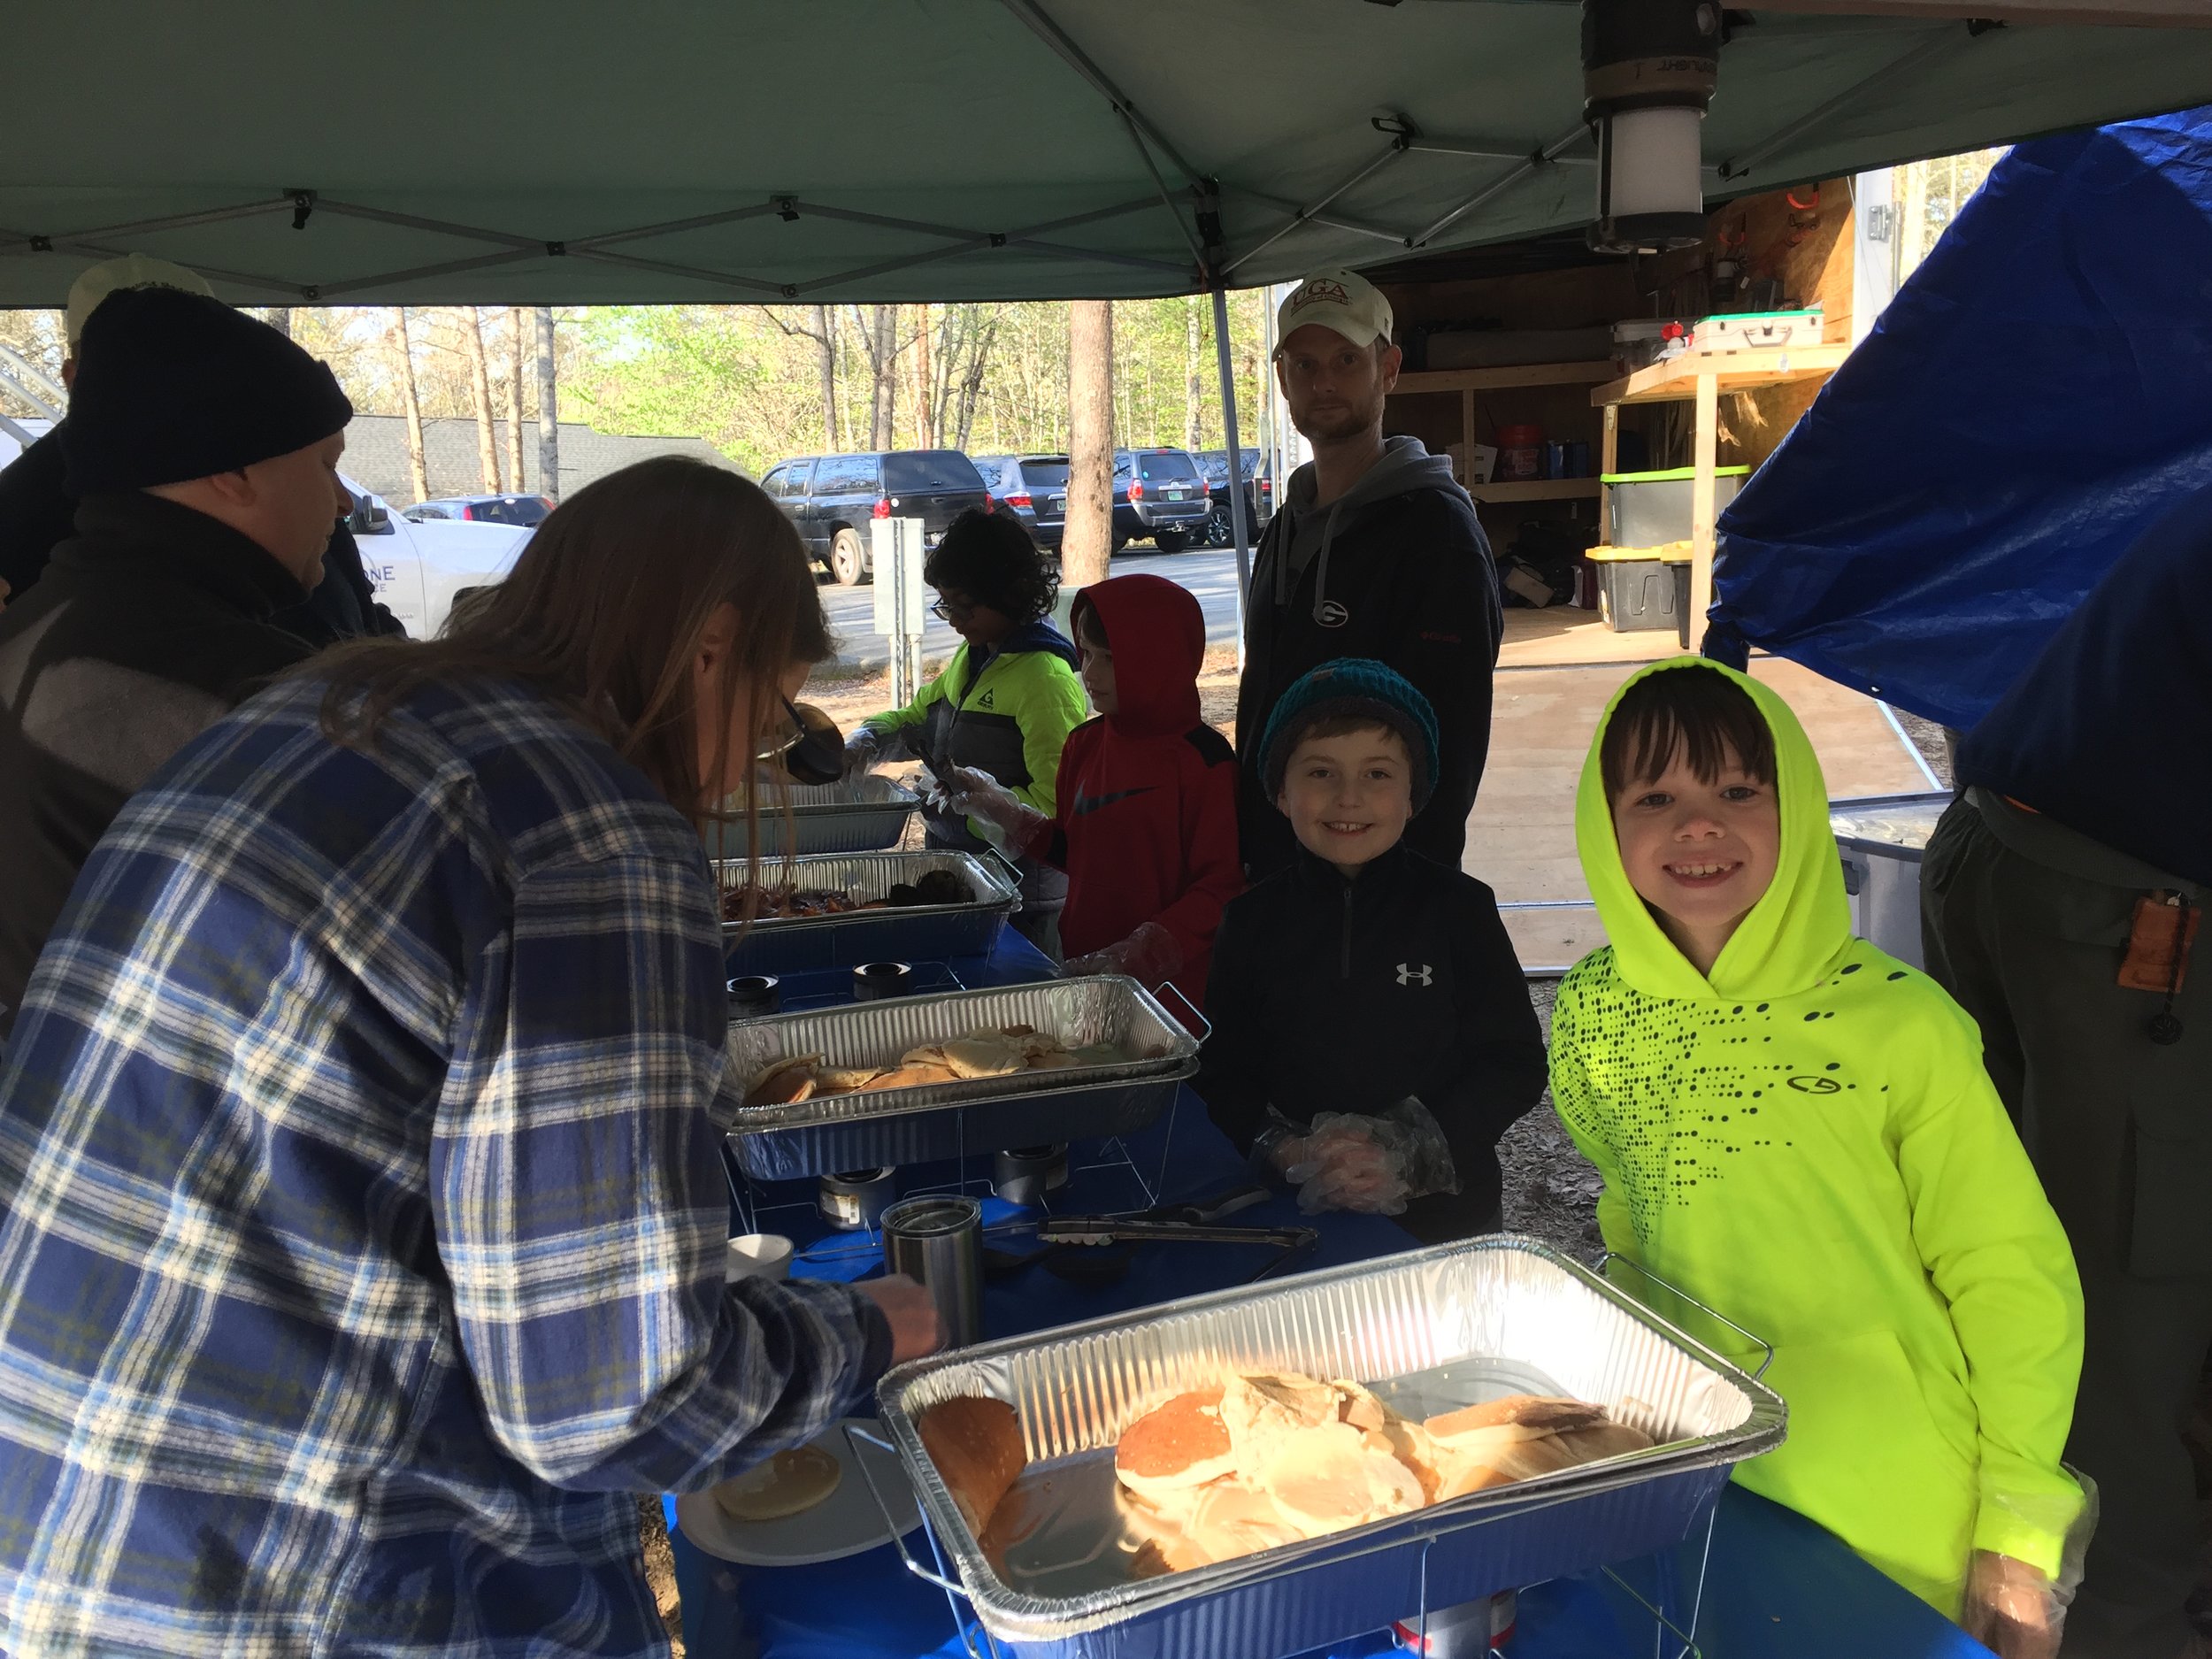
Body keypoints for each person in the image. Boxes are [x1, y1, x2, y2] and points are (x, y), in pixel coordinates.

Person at [0, 457, 940, 1655]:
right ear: (712, 643)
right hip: (293, 1580)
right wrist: (867, 1329)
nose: (738, 768)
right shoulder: (586, 828)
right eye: (762, 716)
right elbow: (614, 1398)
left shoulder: (320, 712)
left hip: (65, 1503)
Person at [1548, 657, 2089, 1656]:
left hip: (1887, 1492)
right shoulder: (1590, 1013)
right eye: (1655, 795)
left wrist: (2017, 1526)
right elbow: (1629, 1219)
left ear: (1795, 806)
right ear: (1602, 821)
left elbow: (2011, 1274)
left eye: (1738, 791)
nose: (1697, 825)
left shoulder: (1901, 1026)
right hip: (1696, 1467)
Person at [1921, 481, 2212, 1659]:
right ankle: (2120, 1627)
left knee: (1994, 1248)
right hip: (2119, 914)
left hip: (2005, 843)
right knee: (2125, 1294)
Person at [0, 286, 357, 1033]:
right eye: (326, 464)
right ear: (233, 473)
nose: (345, 501)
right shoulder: (246, 692)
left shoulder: (38, 627)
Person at [1196, 658, 1546, 1242]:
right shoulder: (1251, 920)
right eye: (1321, 773)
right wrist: (1284, 1147)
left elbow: (1513, 1064)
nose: (1349, 797)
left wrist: (1412, 1149)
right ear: (1280, 792)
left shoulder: (1461, 909)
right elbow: (1222, 1071)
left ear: (1416, 793)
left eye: (1378, 774)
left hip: (1449, 1220)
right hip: (1298, 1211)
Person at [1234, 268, 1502, 882]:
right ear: (1281, 378)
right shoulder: (1284, 528)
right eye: (1303, 364)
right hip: (1280, 872)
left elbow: (1453, 739)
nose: (1323, 381)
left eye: (1346, 359)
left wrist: (1413, 889)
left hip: (1385, 884)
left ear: (1389, 368)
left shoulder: (1436, 531)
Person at [0, 252, 402, 643]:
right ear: (75, 377)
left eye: (189, 350)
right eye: (121, 359)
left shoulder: (288, 467)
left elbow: (357, 611)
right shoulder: (19, 512)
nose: (168, 379)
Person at [935, 572, 1243, 1010]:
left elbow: (1221, 887)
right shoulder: (1085, 743)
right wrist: (1005, 811)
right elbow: (1076, 851)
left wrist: (1147, 951)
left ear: (1160, 659)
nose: (1089, 672)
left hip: (1174, 989)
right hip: (1084, 962)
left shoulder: (1203, 761)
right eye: (1086, 653)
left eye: (1111, 659)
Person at [844, 507, 1087, 947]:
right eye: (946, 605)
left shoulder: (1045, 680)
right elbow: (918, 719)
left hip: (1021, 900)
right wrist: (867, 740)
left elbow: (1055, 807)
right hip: (964, 874)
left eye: (966, 607)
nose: (954, 619)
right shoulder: (973, 657)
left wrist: (973, 812)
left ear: (1011, 595)